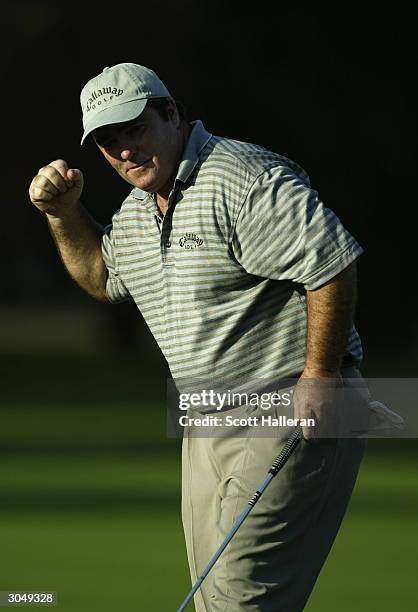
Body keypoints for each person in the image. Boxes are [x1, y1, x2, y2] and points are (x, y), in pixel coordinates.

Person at [29, 63, 369, 611]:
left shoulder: (242, 176)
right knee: (213, 600)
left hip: (292, 408)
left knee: (241, 600)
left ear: (171, 112)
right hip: (207, 419)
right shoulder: (139, 209)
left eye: (135, 129)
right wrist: (64, 214)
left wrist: (321, 377)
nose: (125, 151)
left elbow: (330, 262)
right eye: (108, 142)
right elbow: (101, 275)